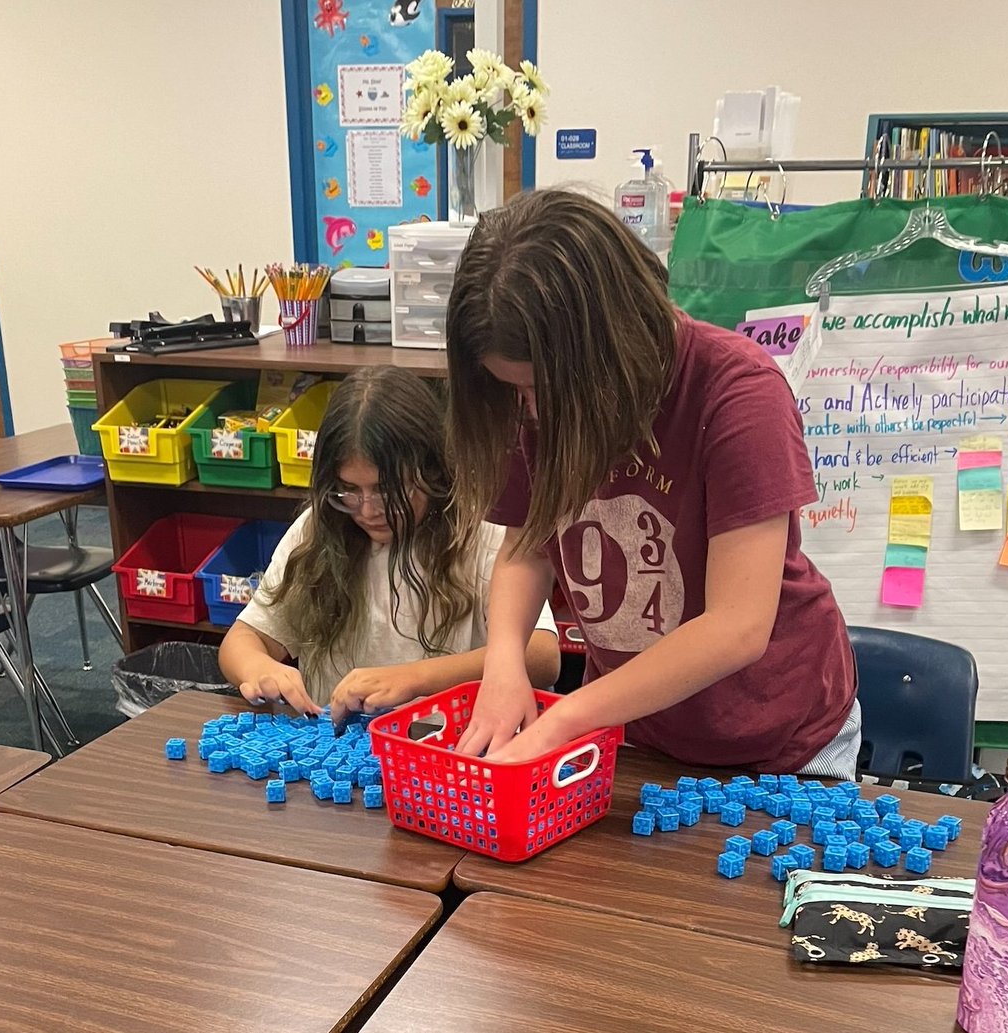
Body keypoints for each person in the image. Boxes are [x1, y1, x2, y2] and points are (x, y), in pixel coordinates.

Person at [444, 188, 858, 777]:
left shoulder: (739, 392)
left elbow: (736, 627)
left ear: (608, 347)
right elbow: (526, 542)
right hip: (634, 726)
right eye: (516, 392)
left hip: (783, 739)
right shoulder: (530, 391)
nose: (529, 413)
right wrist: (504, 660)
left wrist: (565, 718)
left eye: (540, 392)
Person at [218, 367, 561, 725]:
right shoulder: (318, 531)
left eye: (387, 491)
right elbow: (243, 639)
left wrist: (414, 679)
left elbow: (542, 656)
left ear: (431, 470)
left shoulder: (481, 530)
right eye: (348, 490)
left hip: (447, 751)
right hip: (337, 747)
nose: (367, 510)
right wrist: (259, 667)